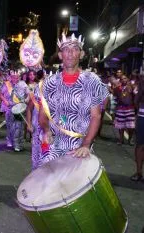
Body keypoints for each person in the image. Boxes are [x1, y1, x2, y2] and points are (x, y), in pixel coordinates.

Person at [39, 33, 109, 162]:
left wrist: (86, 144)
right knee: (47, 179)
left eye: (75, 49)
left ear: (81, 54)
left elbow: (96, 116)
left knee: (80, 181)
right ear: (60, 55)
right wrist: (46, 130)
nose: (70, 53)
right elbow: (42, 115)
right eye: (66, 49)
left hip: (80, 147)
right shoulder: (49, 82)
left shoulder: (92, 81)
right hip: (53, 145)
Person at [0, 70, 29, 152]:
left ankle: (18, 144)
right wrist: (5, 101)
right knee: (10, 126)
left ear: (19, 77)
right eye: (13, 77)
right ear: (11, 77)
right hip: (9, 108)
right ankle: (10, 140)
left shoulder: (23, 84)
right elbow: (0, 94)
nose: (15, 78)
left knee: (19, 127)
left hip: (20, 109)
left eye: (17, 77)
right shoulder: (7, 84)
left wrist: (26, 100)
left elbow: (29, 94)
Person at [26, 69, 49, 169]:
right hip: (37, 130)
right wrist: (29, 124)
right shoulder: (36, 90)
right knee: (36, 155)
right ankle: (35, 178)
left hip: (51, 131)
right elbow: (29, 109)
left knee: (48, 156)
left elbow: (64, 114)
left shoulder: (59, 94)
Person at [112, 74, 136, 145]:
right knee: (120, 125)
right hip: (120, 108)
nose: (123, 80)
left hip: (130, 108)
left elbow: (135, 95)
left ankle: (130, 139)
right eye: (122, 79)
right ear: (120, 80)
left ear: (127, 79)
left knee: (131, 126)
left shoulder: (131, 87)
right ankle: (121, 139)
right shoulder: (118, 88)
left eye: (125, 78)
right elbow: (114, 96)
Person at [131, 74, 144, 181]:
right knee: (140, 146)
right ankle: (139, 172)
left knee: (140, 146)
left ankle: (139, 173)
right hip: (142, 117)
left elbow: (136, 101)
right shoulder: (142, 83)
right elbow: (136, 101)